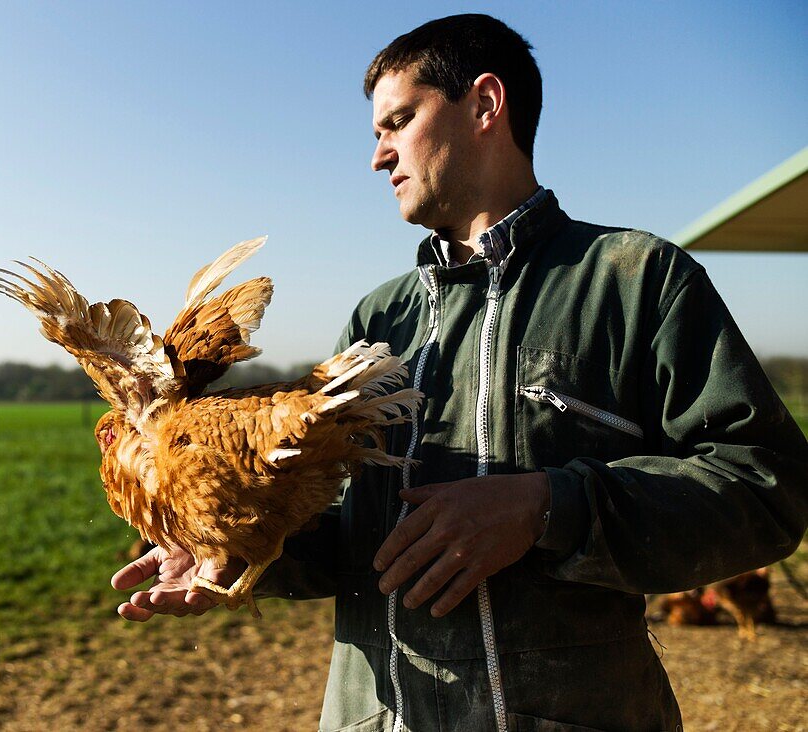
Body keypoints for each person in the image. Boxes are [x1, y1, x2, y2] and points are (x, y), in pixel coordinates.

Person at [111, 14, 808, 731]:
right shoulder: (377, 320)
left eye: (398, 121)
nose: (378, 156)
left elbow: (768, 487)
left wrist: (547, 506)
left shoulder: (636, 280)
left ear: (484, 104)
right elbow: (358, 535)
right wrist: (236, 551)